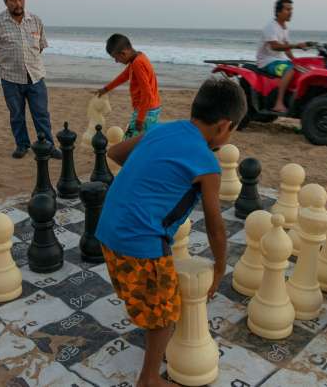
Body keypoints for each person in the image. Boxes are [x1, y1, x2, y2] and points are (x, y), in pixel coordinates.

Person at [95, 77, 246, 387]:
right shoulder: (207, 163)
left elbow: (115, 153)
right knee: (166, 313)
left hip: (107, 231)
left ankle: (151, 338)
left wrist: (148, 170)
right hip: (139, 243)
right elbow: (216, 228)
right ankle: (148, 379)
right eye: (233, 131)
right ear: (224, 126)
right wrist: (219, 268)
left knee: (149, 300)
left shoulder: (163, 129)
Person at [0, 0, 61, 159]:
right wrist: (8, 61)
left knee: (41, 114)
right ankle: (22, 145)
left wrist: (27, 60)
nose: (17, 3)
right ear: (5, 1)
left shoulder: (36, 21)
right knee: (17, 115)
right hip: (10, 78)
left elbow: (40, 46)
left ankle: (48, 145)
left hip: (35, 77)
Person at [95, 34, 161, 139]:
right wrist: (106, 89)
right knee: (144, 142)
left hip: (146, 111)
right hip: (151, 108)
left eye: (116, 58)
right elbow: (123, 76)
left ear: (123, 53)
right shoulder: (137, 58)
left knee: (127, 143)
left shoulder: (137, 63)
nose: (116, 61)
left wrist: (140, 118)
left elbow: (147, 93)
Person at [256, 0, 310, 113]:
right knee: (290, 70)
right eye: (287, 9)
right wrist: (296, 46)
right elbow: (274, 46)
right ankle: (278, 103)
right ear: (279, 12)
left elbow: (286, 47)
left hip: (279, 60)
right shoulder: (271, 27)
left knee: (304, 69)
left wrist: (295, 59)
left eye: (291, 9)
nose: (290, 12)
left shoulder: (284, 27)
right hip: (267, 62)